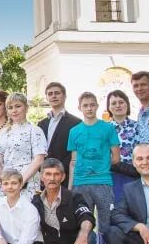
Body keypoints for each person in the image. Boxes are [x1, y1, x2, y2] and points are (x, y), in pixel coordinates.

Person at [32, 160, 95, 244]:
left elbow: (86, 216)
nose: (52, 178)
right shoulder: (36, 202)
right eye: (48, 174)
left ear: (63, 177)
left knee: (90, 235)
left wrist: (82, 235)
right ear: (42, 177)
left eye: (56, 174)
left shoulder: (74, 197)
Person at [65, 92, 120, 236]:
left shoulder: (108, 128)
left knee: (106, 224)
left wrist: (100, 166)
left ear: (97, 106)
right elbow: (73, 161)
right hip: (80, 182)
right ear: (79, 108)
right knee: (82, 224)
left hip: (102, 181)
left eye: (92, 105)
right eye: (85, 105)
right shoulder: (74, 131)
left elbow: (116, 157)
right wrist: (70, 187)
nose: (89, 108)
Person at [0, 93, 47, 196]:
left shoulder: (34, 130)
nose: (14, 110)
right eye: (10, 107)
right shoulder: (4, 132)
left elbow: (39, 159)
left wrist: (22, 181)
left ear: (26, 108)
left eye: (18, 106)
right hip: (7, 181)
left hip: (27, 181)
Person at [38, 82, 80, 186]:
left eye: (57, 93)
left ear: (65, 96)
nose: (53, 96)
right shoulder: (41, 124)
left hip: (65, 176)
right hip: (45, 177)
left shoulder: (76, 123)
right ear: (47, 98)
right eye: (50, 94)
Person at [106, 89, 140, 195]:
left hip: (132, 175)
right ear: (109, 107)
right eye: (114, 103)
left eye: (121, 102)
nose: (118, 106)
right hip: (110, 175)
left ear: (127, 105)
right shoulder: (104, 129)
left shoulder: (137, 126)